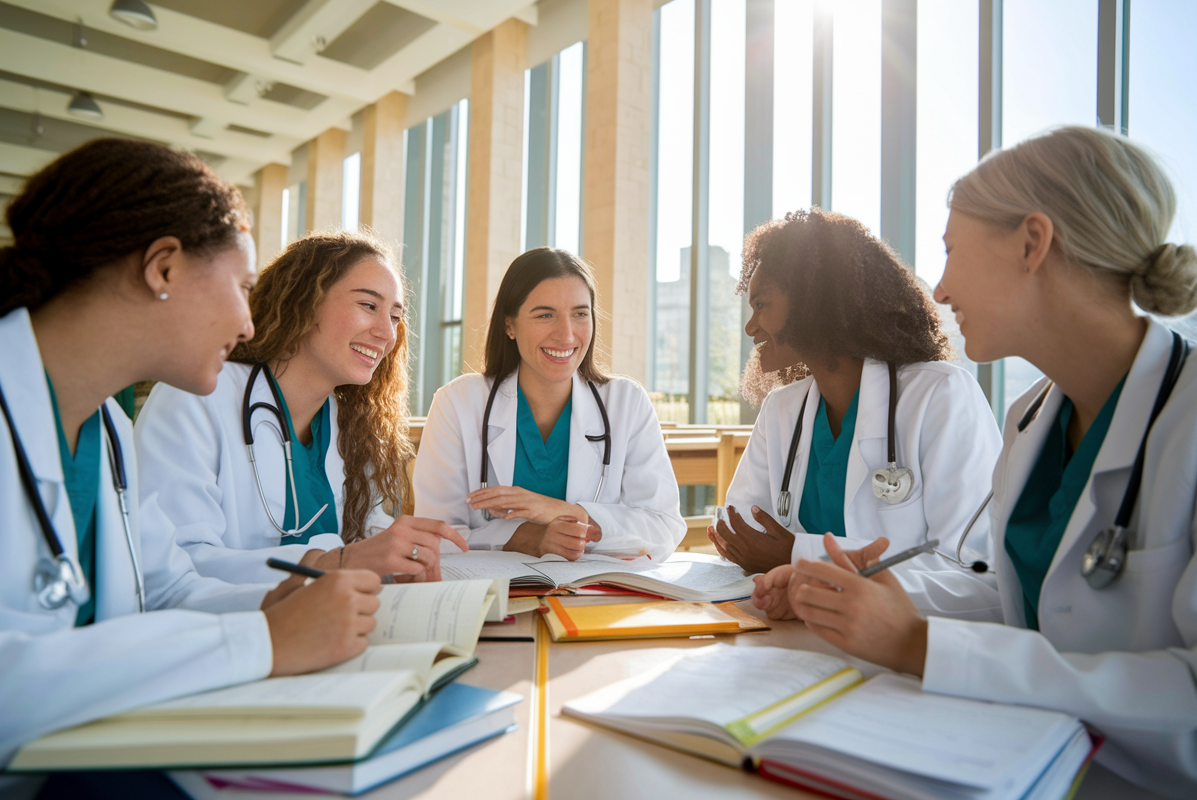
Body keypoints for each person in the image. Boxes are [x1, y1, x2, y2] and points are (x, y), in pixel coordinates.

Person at [0, 139, 382, 800]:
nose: (250, 326)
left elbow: (163, 592)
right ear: (162, 267)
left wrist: (275, 608)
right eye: (243, 289)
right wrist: (261, 642)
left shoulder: (108, 427)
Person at [761, 127, 1197, 798]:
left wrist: (917, 644)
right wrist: (878, 596)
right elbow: (1010, 598)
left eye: (952, 251)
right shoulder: (1032, 419)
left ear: (1032, 242)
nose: (937, 289)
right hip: (1022, 762)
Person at [712, 209, 1002, 620]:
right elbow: (742, 539)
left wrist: (800, 557)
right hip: (790, 638)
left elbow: (976, 576)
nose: (751, 327)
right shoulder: (782, 410)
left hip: (904, 659)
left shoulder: (940, 395)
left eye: (762, 304)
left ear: (817, 303)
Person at [134, 231, 466, 585]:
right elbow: (172, 570)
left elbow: (371, 543)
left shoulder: (354, 428)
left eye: (396, 316)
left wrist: (402, 567)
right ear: (304, 302)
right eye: (368, 306)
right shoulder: (196, 399)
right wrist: (334, 563)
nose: (387, 332)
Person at [414, 247, 685, 560]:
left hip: (595, 598)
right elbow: (437, 534)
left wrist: (567, 514)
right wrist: (531, 537)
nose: (566, 335)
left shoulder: (627, 403)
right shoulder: (457, 404)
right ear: (509, 325)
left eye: (580, 314)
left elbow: (664, 527)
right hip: (495, 596)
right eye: (545, 315)